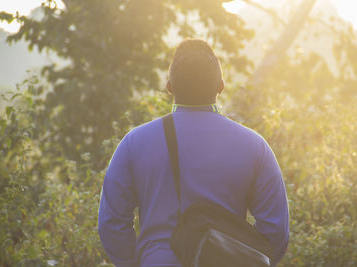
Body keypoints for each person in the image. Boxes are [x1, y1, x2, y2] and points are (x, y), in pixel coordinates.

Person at [98, 38, 289, 267]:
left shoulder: (134, 143)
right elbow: (276, 230)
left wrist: (133, 263)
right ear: (221, 85)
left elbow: (111, 223)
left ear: (169, 87)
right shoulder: (255, 146)